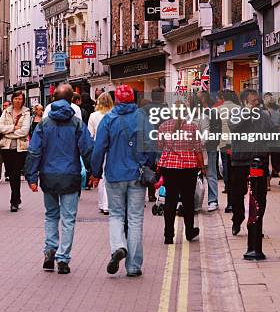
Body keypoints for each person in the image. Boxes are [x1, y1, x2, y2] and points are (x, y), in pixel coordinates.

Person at [25, 84, 93, 274]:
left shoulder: (44, 123)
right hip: (70, 175)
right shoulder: (77, 124)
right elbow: (87, 149)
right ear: (72, 100)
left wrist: (31, 176)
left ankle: (50, 251)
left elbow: (34, 151)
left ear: (53, 99)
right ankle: (63, 259)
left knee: (51, 215)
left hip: (48, 175)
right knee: (68, 219)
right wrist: (93, 171)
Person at [91, 84, 154, 277]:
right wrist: (149, 165)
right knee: (135, 219)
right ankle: (134, 266)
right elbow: (152, 144)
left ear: (116, 100)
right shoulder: (142, 117)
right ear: (133, 99)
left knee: (116, 215)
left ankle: (118, 246)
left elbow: (99, 148)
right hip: (136, 174)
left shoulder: (108, 119)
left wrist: (95, 172)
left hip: (114, 174)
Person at [228, 89, 280, 236]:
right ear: (245, 102)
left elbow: (271, 131)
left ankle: (255, 224)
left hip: (258, 160)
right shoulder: (235, 114)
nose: (257, 103)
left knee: (260, 195)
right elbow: (234, 128)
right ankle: (237, 219)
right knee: (238, 193)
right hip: (240, 160)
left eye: (257, 100)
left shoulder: (264, 115)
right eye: (253, 101)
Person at [157, 107, 205, 243]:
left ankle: (168, 235)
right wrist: (202, 167)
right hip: (188, 167)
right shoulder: (192, 127)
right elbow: (198, 149)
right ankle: (189, 231)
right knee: (188, 200)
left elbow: (160, 146)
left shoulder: (163, 126)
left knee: (170, 200)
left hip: (169, 167)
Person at [0, 91, 31, 212]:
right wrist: (12, 128)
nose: (18, 101)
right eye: (16, 98)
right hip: (6, 147)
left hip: (20, 148)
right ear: (12, 99)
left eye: (20, 99)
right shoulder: (6, 111)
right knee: (11, 174)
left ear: (23, 100)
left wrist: (8, 134)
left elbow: (25, 131)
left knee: (16, 173)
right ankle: (17, 197)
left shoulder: (26, 113)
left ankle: (14, 201)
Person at [87, 92, 114, 214]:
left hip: (98, 148)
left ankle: (103, 204)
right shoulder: (114, 115)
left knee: (100, 175)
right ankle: (108, 204)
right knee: (108, 175)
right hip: (112, 148)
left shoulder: (93, 116)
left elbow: (90, 135)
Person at [216, 90, 240, 212]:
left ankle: (230, 202)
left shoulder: (218, 110)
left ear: (222, 98)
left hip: (223, 143)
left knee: (227, 169)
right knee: (236, 170)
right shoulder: (239, 108)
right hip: (237, 143)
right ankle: (235, 200)